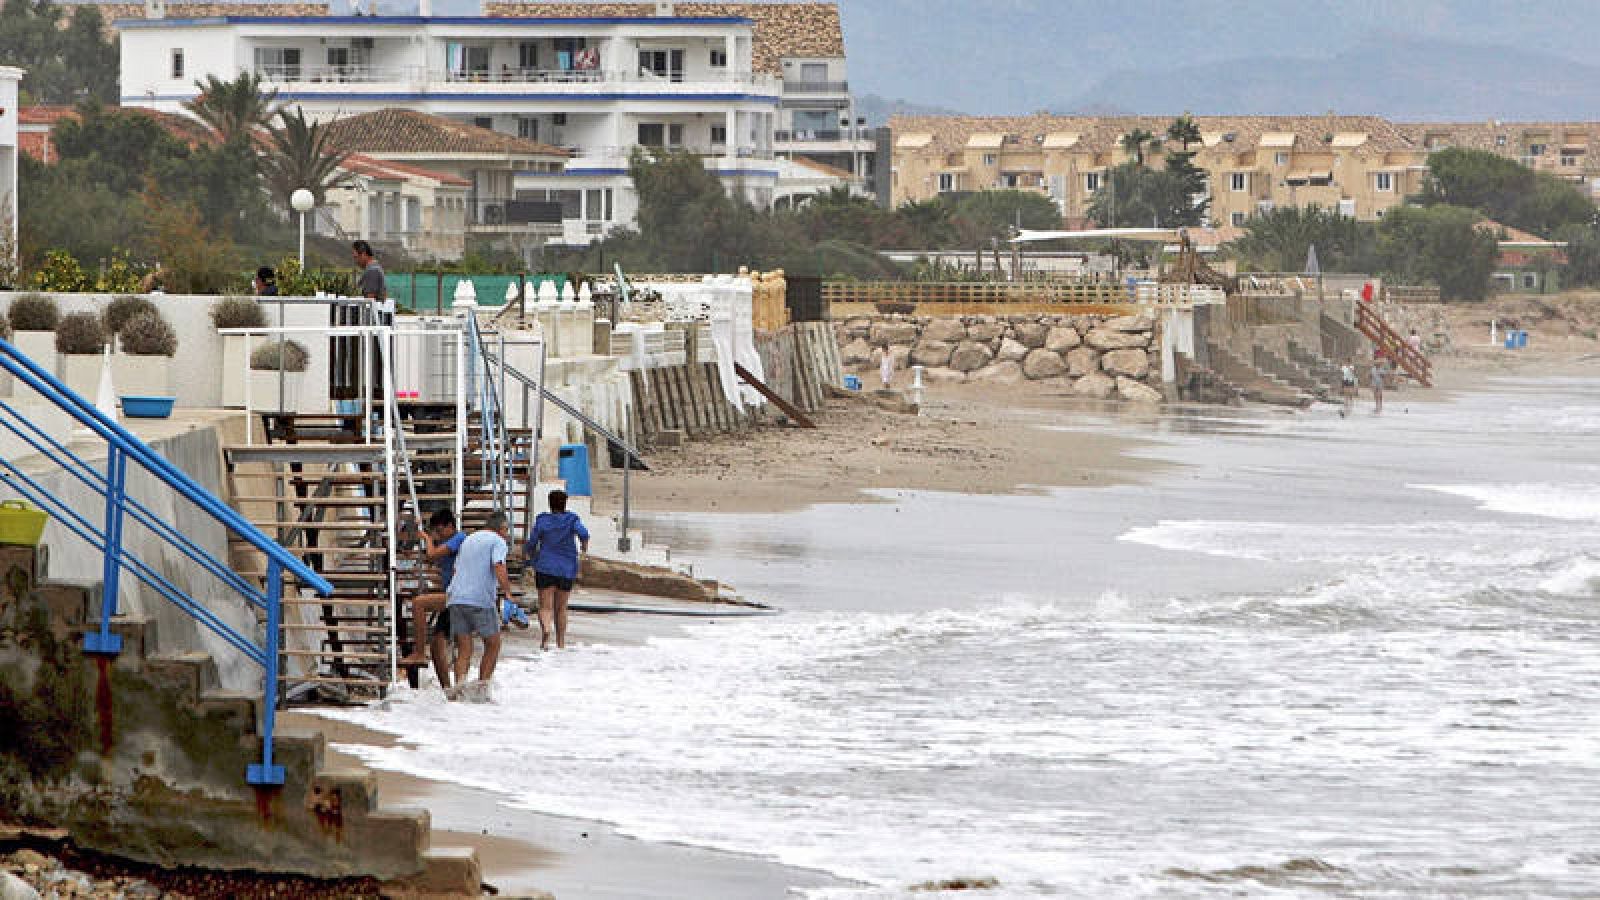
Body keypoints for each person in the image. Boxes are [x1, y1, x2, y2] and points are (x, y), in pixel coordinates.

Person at [398, 509, 466, 689]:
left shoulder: (458, 539)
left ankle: (419, 652)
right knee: (437, 647)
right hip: (452, 594)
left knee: (419, 604)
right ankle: (448, 689)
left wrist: (426, 538)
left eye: (439, 530)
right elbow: (434, 563)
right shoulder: (448, 543)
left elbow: (432, 555)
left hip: (458, 595)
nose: (437, 535)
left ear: (450, 526)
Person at [446, 512, 514, 687]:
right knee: (493, 644)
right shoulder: (498, 541)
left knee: (464, 647)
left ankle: (459, 687)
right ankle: (482, 687)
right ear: (502, 528)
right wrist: (507, 592)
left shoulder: (469, 540)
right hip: (480, 599)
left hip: (456, 597)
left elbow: (456, 569)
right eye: (507, 530)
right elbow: (498, 564)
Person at [525, 490, 589, 651]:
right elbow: (584, 533)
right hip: (566, 568)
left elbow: (532, 542)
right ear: (565, 503)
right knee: (561, 608)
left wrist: (531, 557)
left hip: (545, 566)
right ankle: (561, 642)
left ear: (550, 503)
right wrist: (584, 545)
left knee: (545, 607)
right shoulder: (572, 520)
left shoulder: (542, 520)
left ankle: (546, 631)